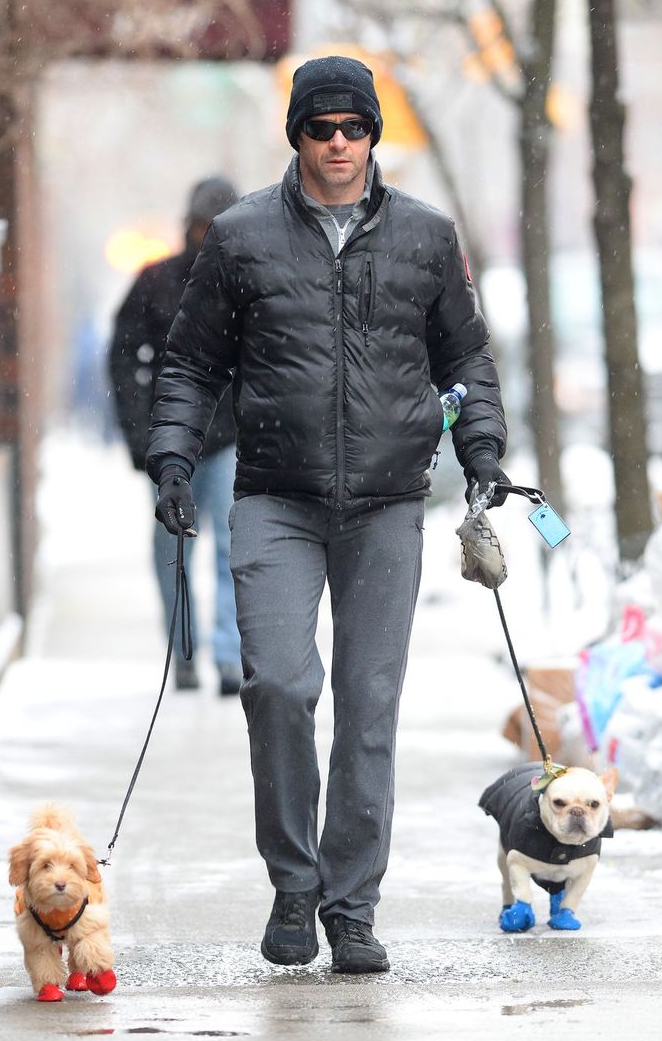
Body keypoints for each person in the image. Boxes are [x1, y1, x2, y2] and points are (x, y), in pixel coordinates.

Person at [147, 57, 509, 972]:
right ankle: (294, 884)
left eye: (355, 127)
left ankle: (351, 907)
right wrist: (172, 456)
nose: (339, 142)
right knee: (277, 684)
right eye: (322, 127)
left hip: (389, 503)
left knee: (369, 706)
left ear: (374, 135)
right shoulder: (240, 238)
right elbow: (190, 364)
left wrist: (483, 455)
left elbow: (465, 358)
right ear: (297, 135)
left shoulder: (426, 237)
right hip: (275, 494)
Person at [108, 177, 242, 695]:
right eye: (202, 226)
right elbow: (123, 357)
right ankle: (184, 651)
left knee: (234, 549)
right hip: (168, 446)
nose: (208, 236)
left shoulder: (248, 284)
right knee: (173, 552)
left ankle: (229, 656)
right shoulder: (156, 282)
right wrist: (141, 436)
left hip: (231, 440)